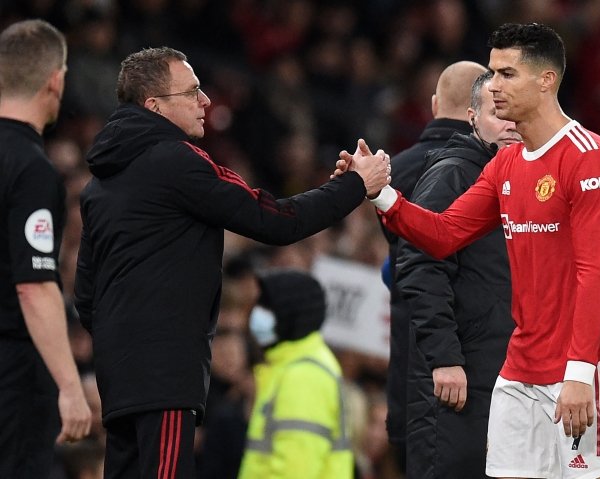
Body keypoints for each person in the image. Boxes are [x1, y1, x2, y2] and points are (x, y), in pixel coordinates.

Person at [73, 46, 389, 479]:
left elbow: (86, 296)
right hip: (166, 374)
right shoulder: (176, 161)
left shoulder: (100, 184)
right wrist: (355, 185)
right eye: (192, 91)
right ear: (154, 105)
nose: (205, 101)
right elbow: (274, 219)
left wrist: (126, 342)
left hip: (119, 378)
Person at [363, 22, 600, 478]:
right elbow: (444, 232)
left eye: (507, 74)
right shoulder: (507, 161)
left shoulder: (591, 159)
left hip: (585, 368)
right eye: (492, 73)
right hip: (519, 370)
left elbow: (599, 276)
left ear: (546, 80)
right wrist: (382, 194)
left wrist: (580, 373)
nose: (492, 86)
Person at [397, 70, 520, 479]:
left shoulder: (522, 179)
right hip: (460, 379)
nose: (510, 125)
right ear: (472, 117)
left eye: (516, 115)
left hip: (501, 374)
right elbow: (419, 262)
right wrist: (445, 357)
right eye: (498, 113)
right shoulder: (454, 173)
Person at [379, 60, 487, 464]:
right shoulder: (483, 171)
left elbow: (401, 263)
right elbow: (422, 259)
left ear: (434, 104)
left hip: (411, 350)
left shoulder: (394, 169)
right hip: (468, 361)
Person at [0, 19, 92, 478]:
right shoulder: (31, 170)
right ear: (55, 80)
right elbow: (34, 286)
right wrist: (70, 386)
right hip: (12, 374)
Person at [238, 269, 353, 478]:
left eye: (267, 305)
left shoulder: (305, 375)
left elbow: (296, 467)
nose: (257, 313)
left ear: (291, 313)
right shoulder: (291, 366)